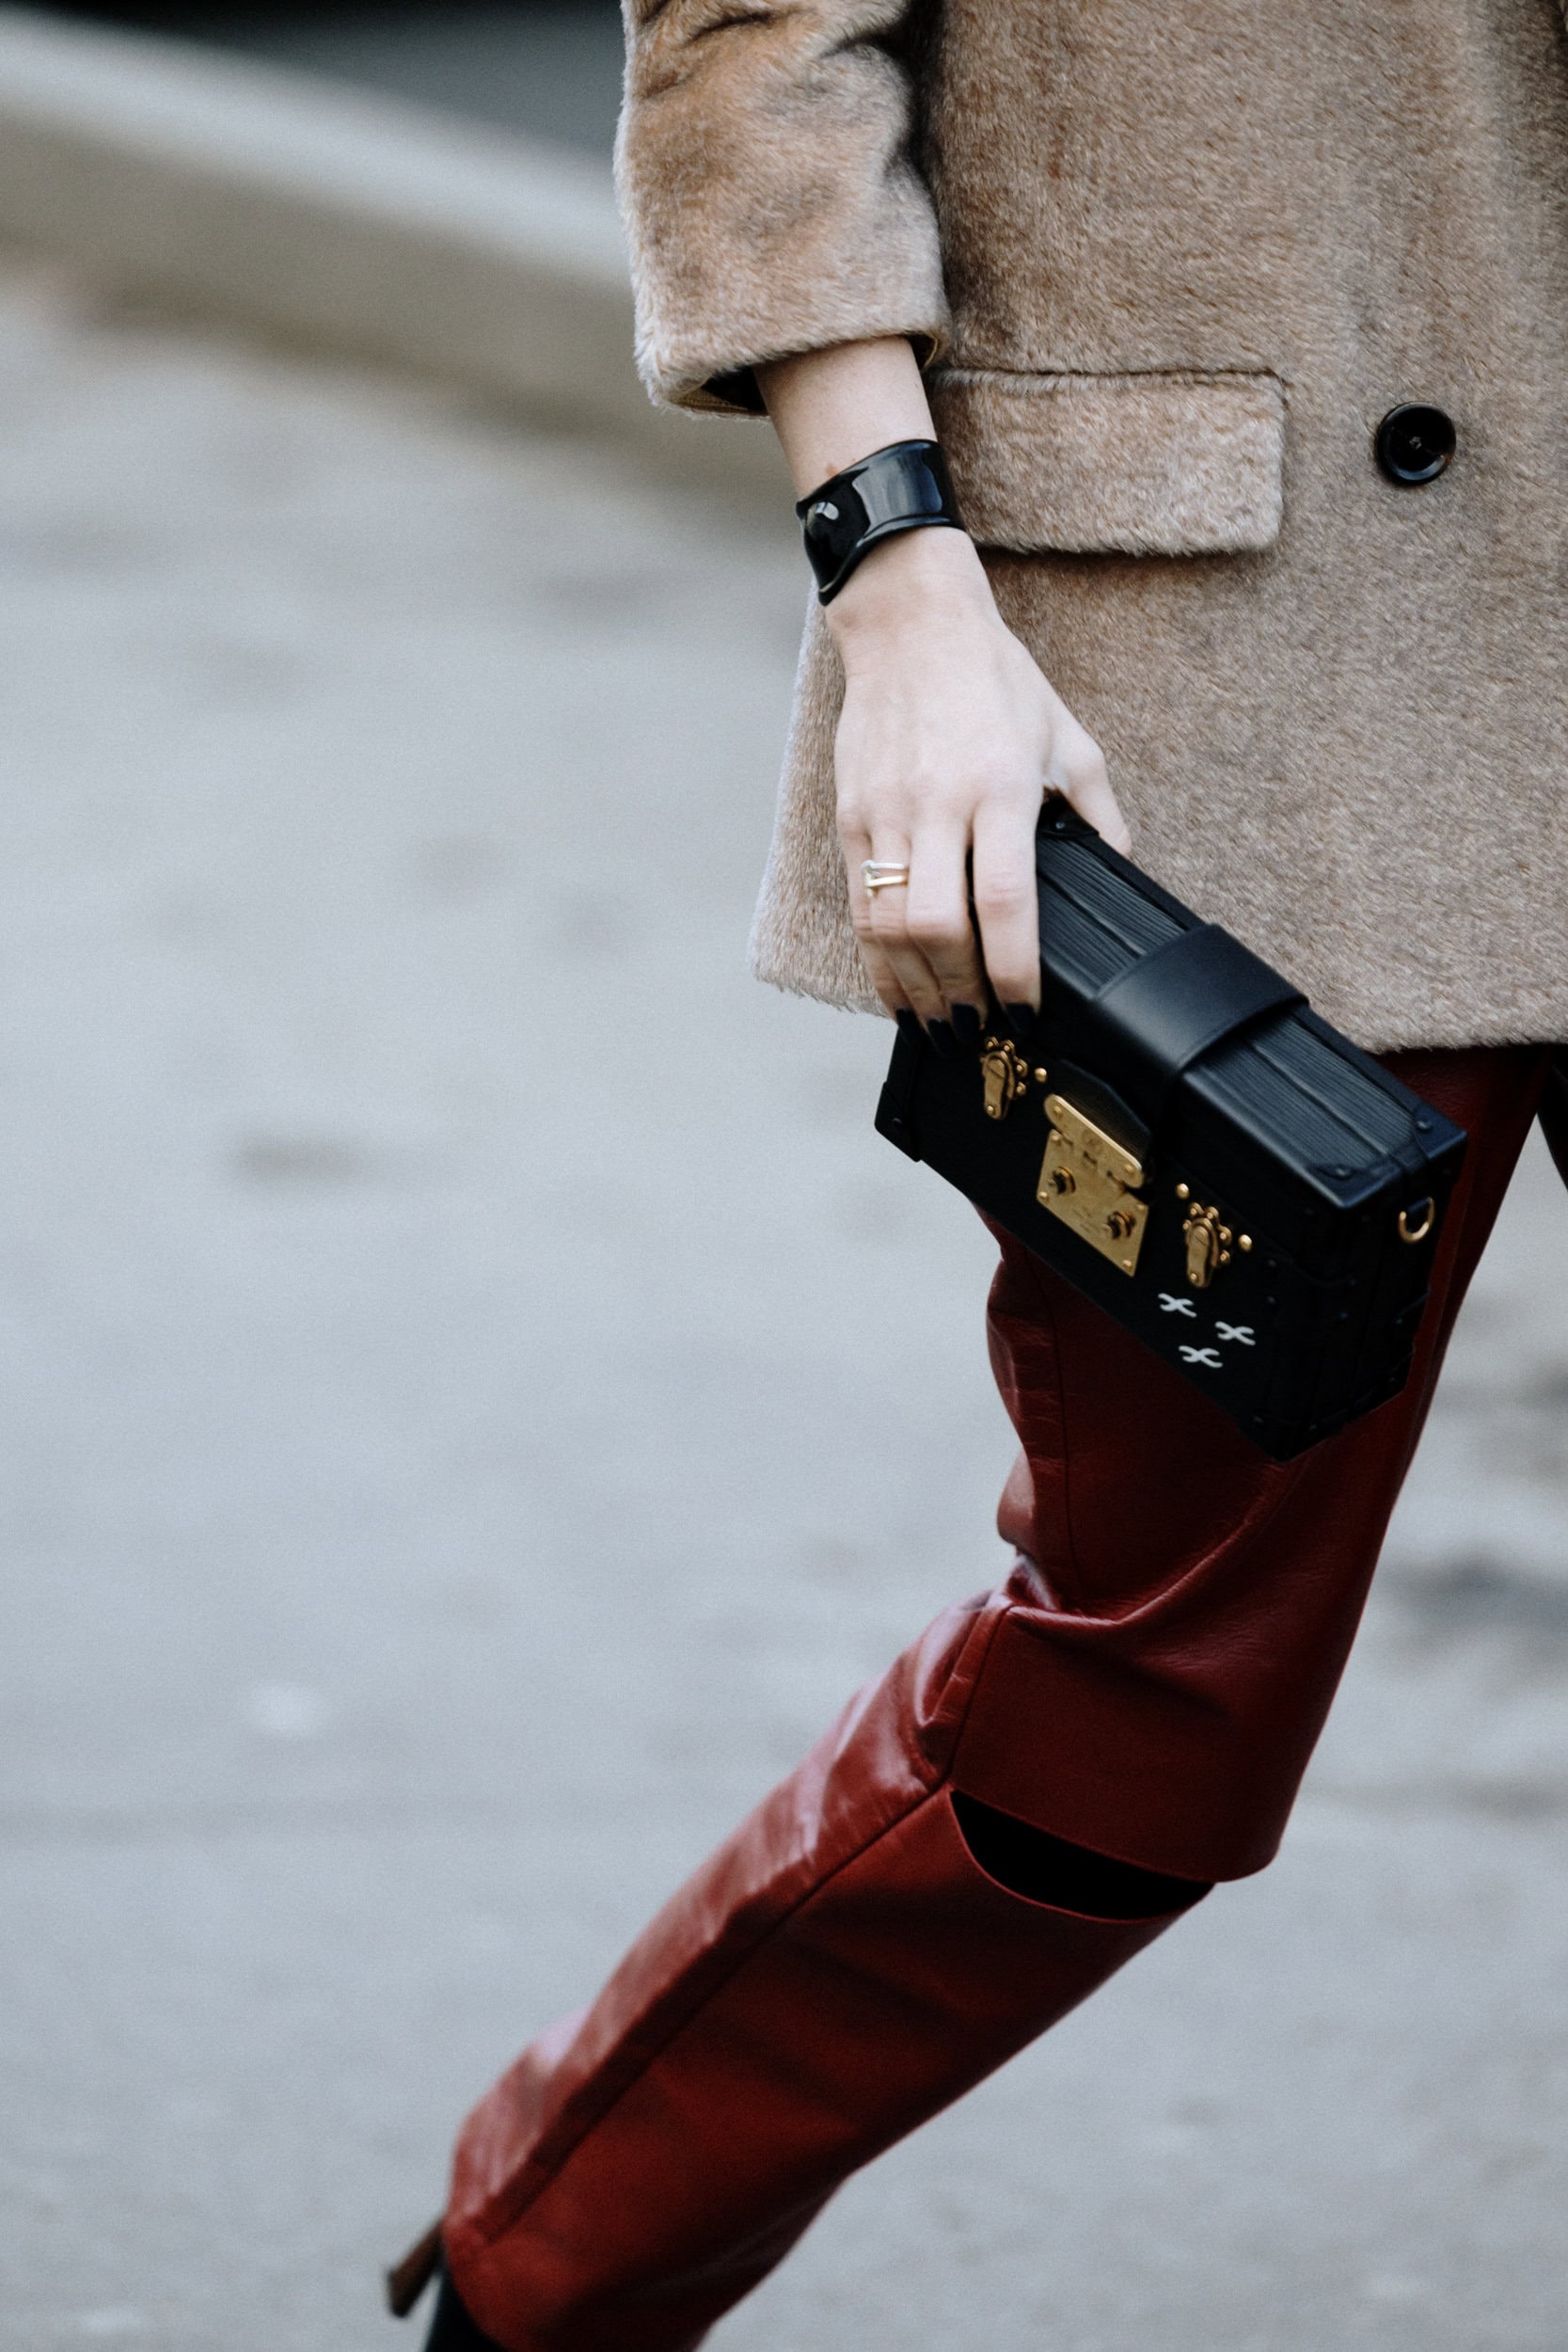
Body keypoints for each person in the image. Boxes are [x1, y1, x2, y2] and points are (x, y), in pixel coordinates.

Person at [394, 4, 1568, 2344]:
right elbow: (760, 36)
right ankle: (546, 2276)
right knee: (1144, 1708)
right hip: (1262, 663)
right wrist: (898, 579)